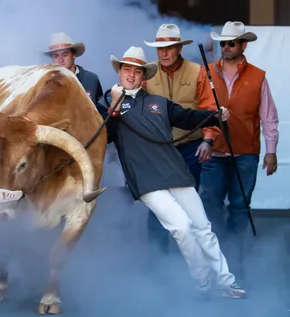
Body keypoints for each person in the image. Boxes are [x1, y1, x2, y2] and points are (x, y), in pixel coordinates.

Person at [104, 46, 245, 299]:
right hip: (146, 180)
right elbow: (103, 137)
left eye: (137, 71)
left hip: (175, 171)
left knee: (203, 227)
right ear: (119, 72)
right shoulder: (108, 105)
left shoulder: (158, 102)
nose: (132, 75)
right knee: (181, 227)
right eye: (127, 69)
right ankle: (203, 282)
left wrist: (214, 115)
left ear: (143, 76)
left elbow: (188, 117)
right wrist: (115, 104)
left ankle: (226, 282)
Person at [199, 21, 279, 279]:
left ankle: (234, 261)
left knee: (239, 206)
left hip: (245, 153)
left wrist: (271, 150)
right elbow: (198, 112)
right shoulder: (207, 72)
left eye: (231, 42)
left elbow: (268, 117)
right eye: (223, 42)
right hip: (215, 153)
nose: (226, 47)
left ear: (243, 44)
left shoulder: (258, 77)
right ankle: (215, 259)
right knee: (209, 205)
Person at [142, 24, 220, 256]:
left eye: (169, 48)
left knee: (188, 207)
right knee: (157, 207)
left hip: (190, 148)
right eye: (159, 48)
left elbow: (210, 108)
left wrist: (208, 140)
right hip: (158, 150)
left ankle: (185, 260)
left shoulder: (197, 71)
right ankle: (158, 261)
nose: (163, 53)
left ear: (178, 48)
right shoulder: (147, 73)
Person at [44, 32, 104, 110]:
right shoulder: (46, 83)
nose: (60, 60)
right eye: (56, 56)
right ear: (52, 58)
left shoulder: (91, 79)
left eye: (65, 55)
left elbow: (101, 111)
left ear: (74, 55)